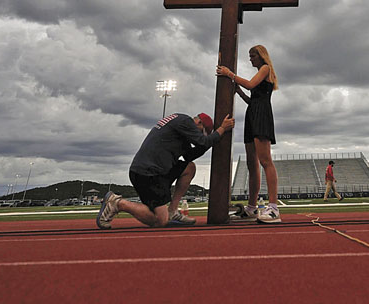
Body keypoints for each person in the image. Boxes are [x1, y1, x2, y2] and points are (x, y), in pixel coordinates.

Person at [97, 112, 234, 229]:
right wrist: (221, 129)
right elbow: (202, 142)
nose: (196, 136)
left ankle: (173, 210)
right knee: (160, 221)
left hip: (157, 170)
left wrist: (209, 141)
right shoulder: (185, 121)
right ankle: (118, 203)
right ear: (198, 122)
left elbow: (188, 156)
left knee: (189, 167)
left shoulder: (179, 126)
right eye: (199, 132)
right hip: (148, 173)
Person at [216, 44, 282, 223]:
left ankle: (274, 208)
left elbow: (251, 84)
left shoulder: (265, 68)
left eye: (253, 56)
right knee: (252, 164)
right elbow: (253, 100)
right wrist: (238, 92)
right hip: (252, 114)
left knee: (265, 160)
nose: (250, 59)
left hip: (261, 116)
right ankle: (252, 207)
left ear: (261, 56)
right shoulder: (260, 71)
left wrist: (230, 74)